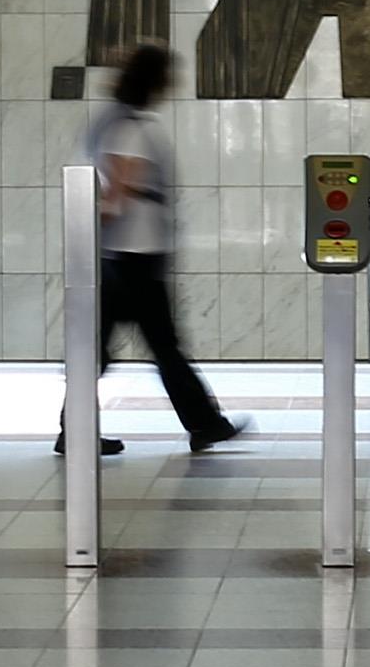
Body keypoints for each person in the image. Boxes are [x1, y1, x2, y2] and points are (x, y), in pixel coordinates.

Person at [66, 43, 242, 458]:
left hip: (119, 255)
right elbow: (119, 191)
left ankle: (74, 431)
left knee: (105, 349)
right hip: (135, 256)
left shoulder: (113, 120)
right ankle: (204, 423)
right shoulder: (131, 128)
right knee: (161, 345)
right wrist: (98, 224)